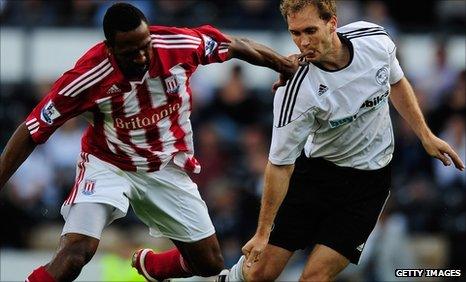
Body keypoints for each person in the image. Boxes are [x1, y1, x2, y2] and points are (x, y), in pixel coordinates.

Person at [0, 3, 306, 282]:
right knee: (75, 255)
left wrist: (282, 65)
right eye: (131, 52)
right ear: (110, 48)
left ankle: (152, 267)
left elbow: (237, 45)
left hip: (164, 166)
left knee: (210, 263)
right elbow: (30, 130)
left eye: (145, 46)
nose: (143, 56)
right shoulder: (87, 77)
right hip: (108, 165)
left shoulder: (178, 45)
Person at [219, 0, 465, 281]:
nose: (303, 42)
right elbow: (279, 165)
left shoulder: (374, 41)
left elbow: (396, 81)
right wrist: (262, 233)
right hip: (316, 177)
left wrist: (426, 135)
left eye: (310, 30)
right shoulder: (295, 91)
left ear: (332, 23)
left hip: (369, 184)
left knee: (314, 277)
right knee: (260, 274)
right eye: (296, 33)